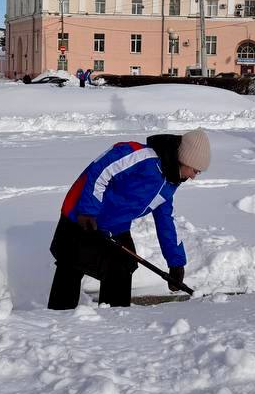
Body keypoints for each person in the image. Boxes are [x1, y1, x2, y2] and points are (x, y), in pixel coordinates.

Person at [48, 128, 211, 309]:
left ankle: (116, 319)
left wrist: (175, 263)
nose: (194, 177)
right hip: (80, 215)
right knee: (71, 266)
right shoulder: (141, 156)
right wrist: (87, 211)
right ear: (185, 159)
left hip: (115, 225)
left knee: (122, 266)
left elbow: (165, 220)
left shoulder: (170, 182)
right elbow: (100, 170)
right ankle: (58, 320)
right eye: (195, 170)